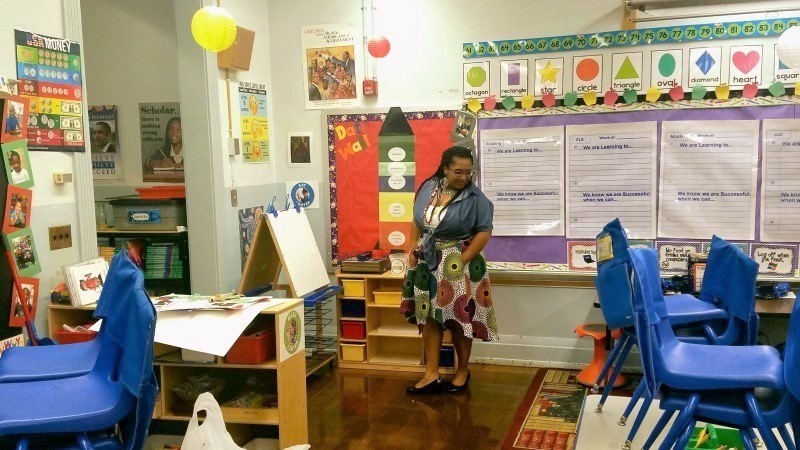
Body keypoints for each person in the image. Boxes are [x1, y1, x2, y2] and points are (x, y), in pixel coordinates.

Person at [401, 145, 497, 395]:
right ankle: (431, 374)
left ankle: (462, 371)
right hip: (428, 260)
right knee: (430, 318)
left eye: (469, 172)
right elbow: (416, 219)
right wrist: (412, 246)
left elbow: (484, 232)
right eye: (458, 172)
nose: (464, 177)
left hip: (460, 261)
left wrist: (461, 261)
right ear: (445, 169)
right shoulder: (428, 187)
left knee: (458, 319)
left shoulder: (477, 199)